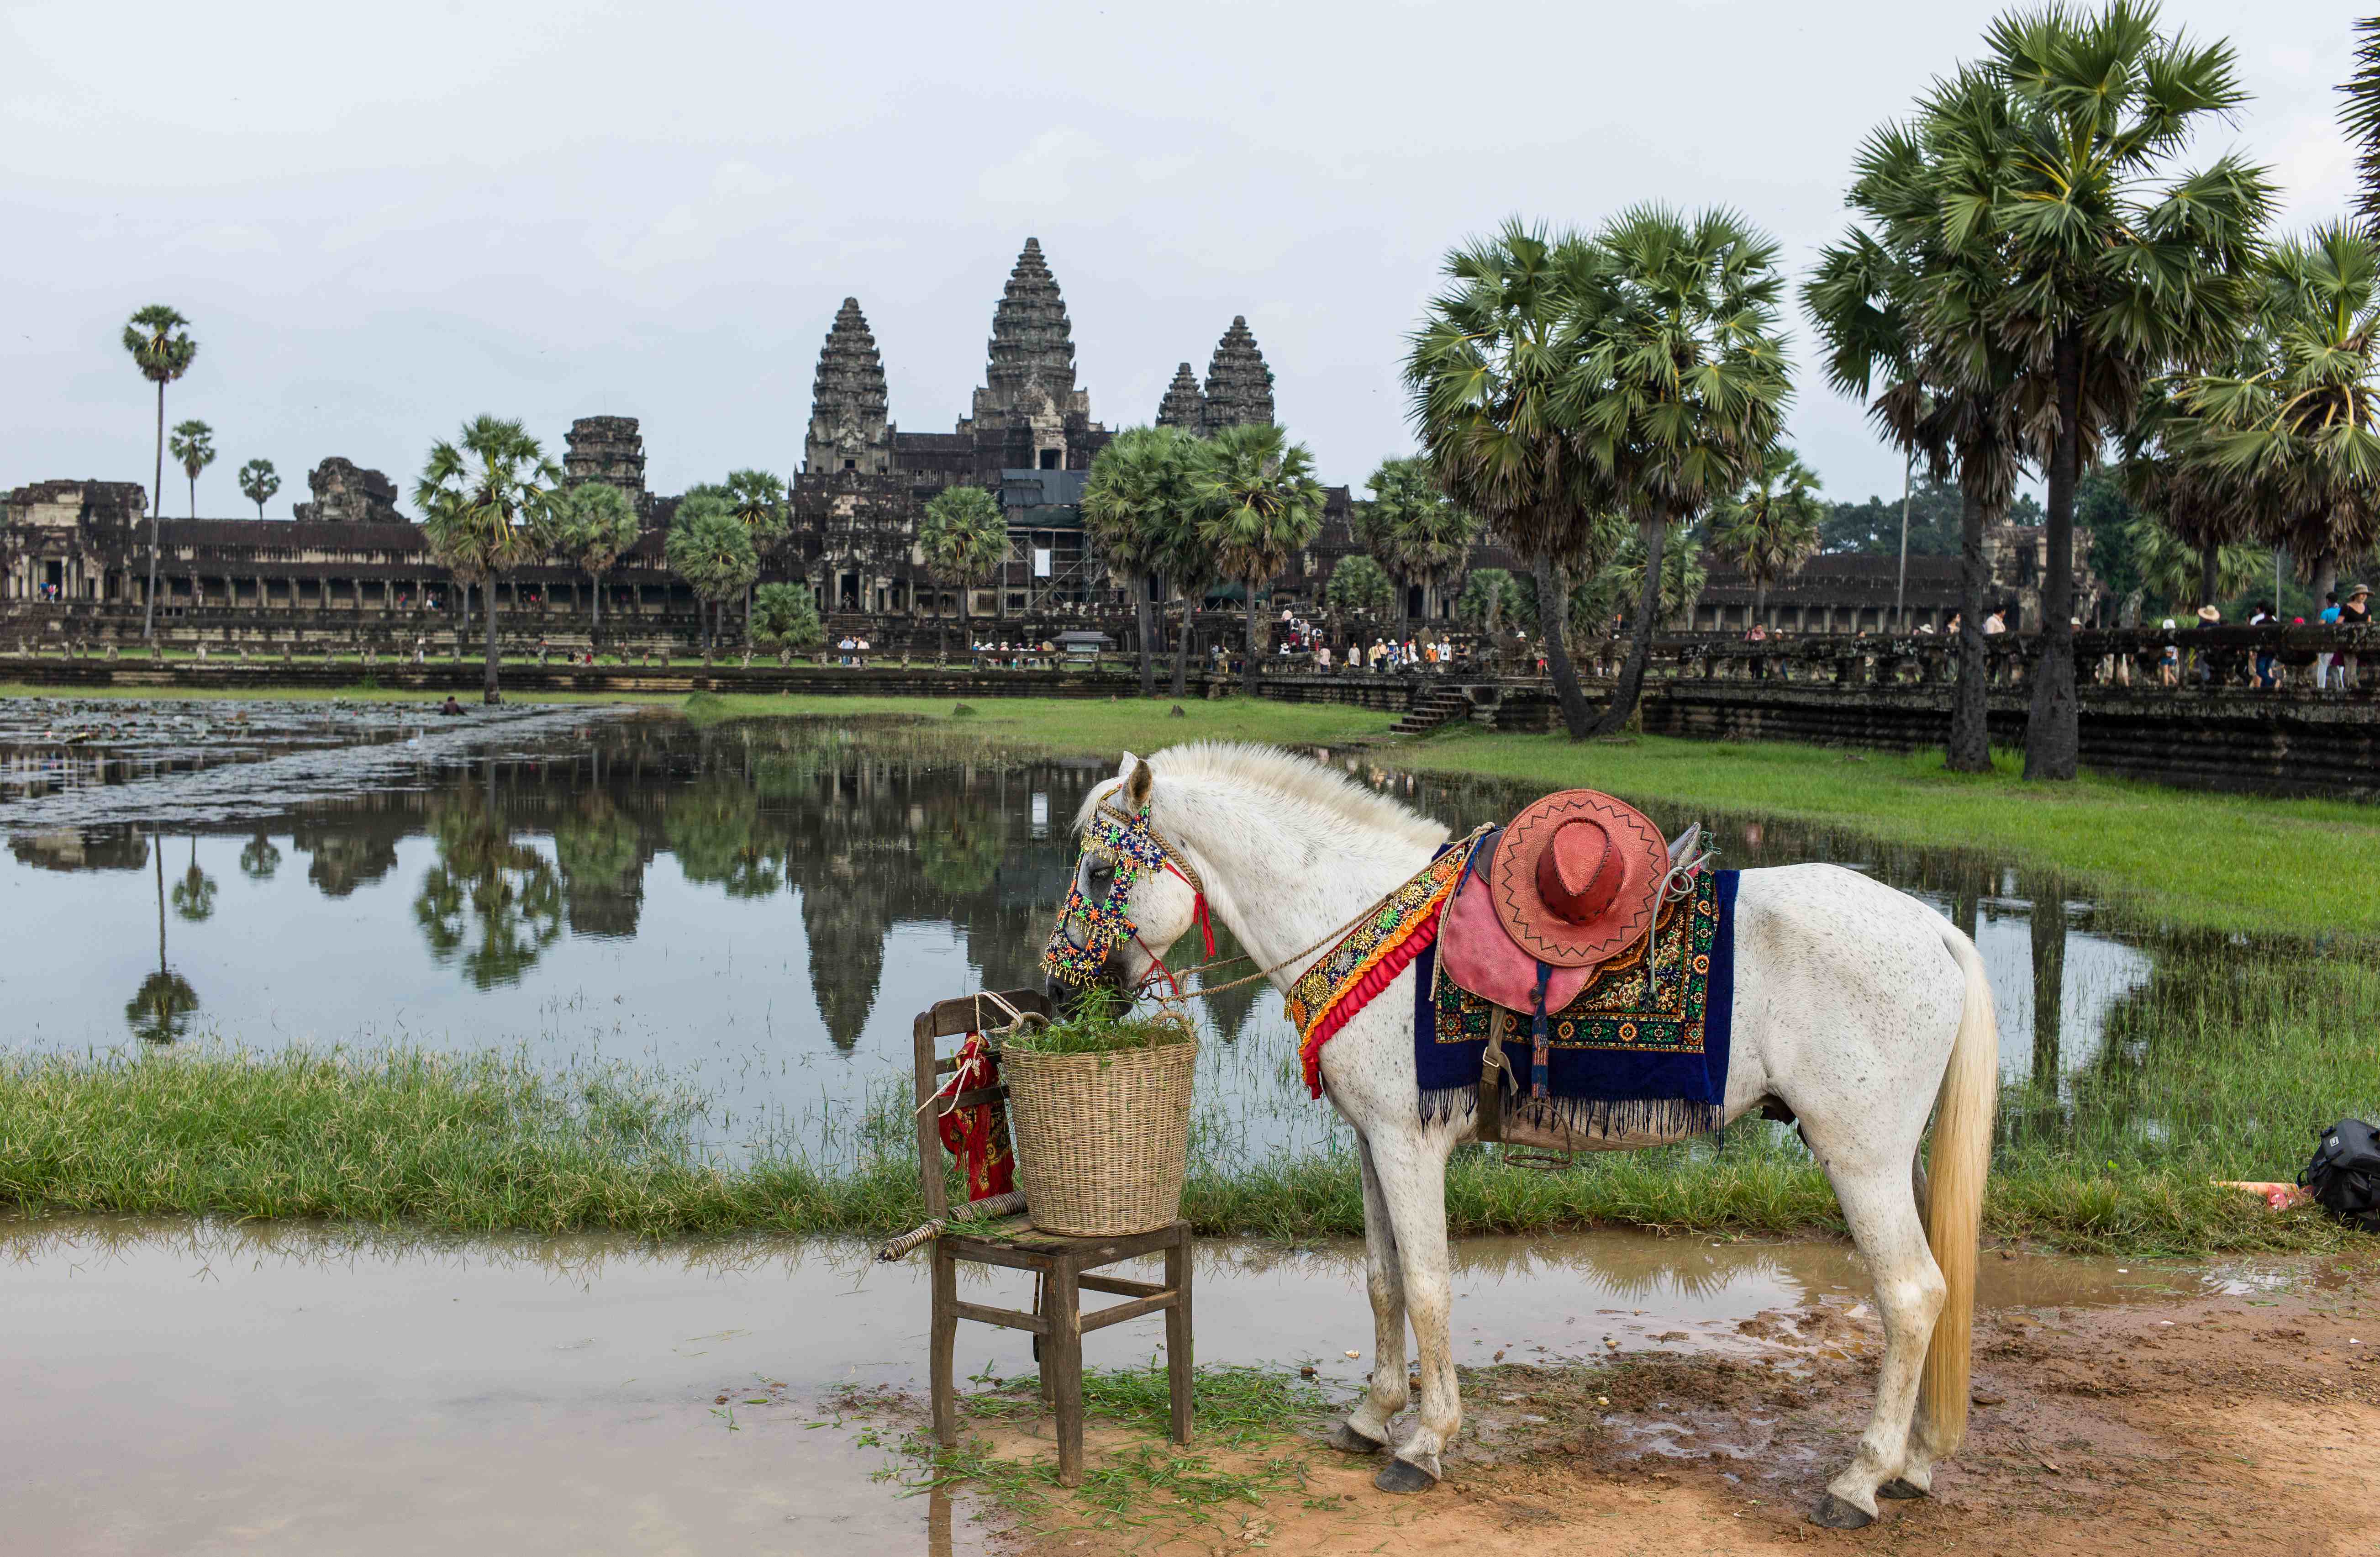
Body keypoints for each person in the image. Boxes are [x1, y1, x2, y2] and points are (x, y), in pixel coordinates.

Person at [2341, 583, 2370, 690]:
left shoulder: (2367, 608)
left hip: (2364, 641)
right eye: (2362, 594)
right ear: (2356, 595)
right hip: (2349, 641)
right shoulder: (2347, 607)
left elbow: (2369, 624)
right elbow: (2339, 624)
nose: (2364, 596)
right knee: (2350, 666)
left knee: (2365, 666)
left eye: (2366, 594)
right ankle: (2349, 687)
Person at [2317, 590, 2341, 690]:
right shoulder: (2341, 612)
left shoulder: (2326, 613)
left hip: (2327, 644)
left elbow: (2320, 626)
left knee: (2323, 666)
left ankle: (2321, 688)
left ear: (2328, 601)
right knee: (2337, 667)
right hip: (2339, 644)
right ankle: (2339, 687)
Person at [2158, 619, 2180, 687]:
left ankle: (2171, 685)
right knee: (2166, 672)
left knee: (2166, 673)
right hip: (2173, 657)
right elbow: (2177, 648)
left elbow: (2160, 647)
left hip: (2166, 656)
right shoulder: (2175, 636)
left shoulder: (2163, 636)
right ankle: (2160, 685)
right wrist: (2177, 658)